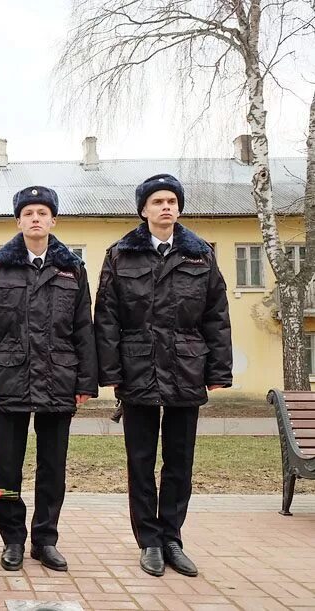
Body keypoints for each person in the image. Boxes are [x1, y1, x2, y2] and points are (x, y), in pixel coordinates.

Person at [94, 174, 232, 578]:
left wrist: (219, 370)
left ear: (179, 208)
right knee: (140, 461)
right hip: (137, 370)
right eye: (157, 202)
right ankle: (149, 541)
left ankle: (171, 537)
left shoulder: (201, 254)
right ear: (143, 210)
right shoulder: (120, 255)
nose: (165, 207)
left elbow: (216, 316)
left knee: (179, 461)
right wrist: (112, 372)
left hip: (187, 369)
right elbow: (107, 318)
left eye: (172, 201)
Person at [0, 186, 97, 572]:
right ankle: (12, 540)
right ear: (18, 221)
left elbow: (83, 328)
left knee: (52, 466)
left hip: (59, 379)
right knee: (7, 466)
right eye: (28, 213)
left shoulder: (72, 267)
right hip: (9, 379)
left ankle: (45, 539)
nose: (36, 218)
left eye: (42, 212)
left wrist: (86, 382)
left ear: (53, 219)